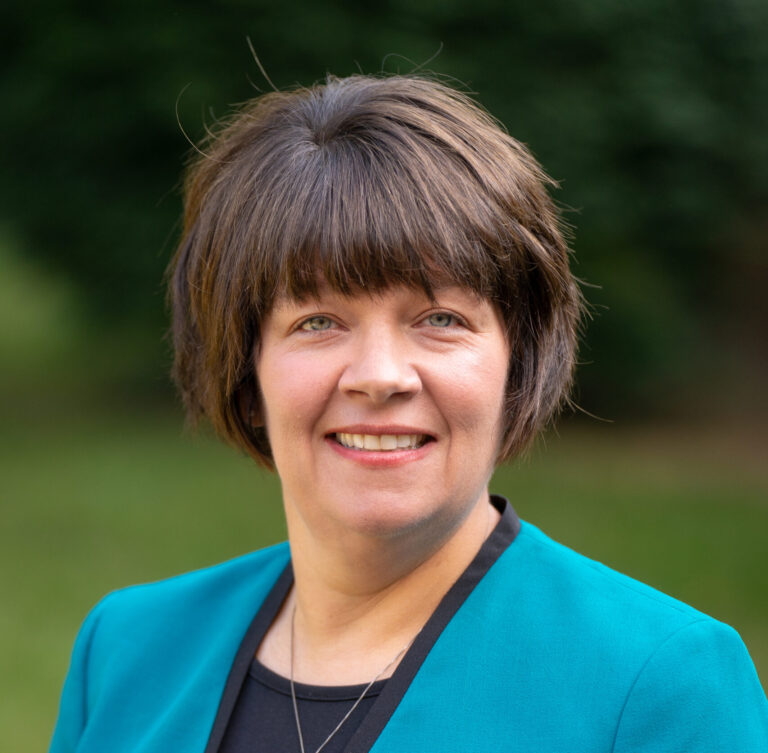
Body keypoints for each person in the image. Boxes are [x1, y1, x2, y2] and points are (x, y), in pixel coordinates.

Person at [49, 74, 768, 753]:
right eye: (318, 321)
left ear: (519, 358)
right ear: (244, 365)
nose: (381, 376)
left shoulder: (664, 684)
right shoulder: (126, 649)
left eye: (440, 318)